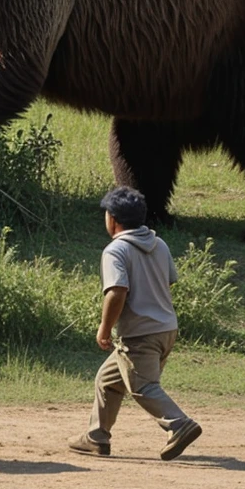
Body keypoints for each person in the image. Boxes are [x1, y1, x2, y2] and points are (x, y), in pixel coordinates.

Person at [69, 186, 202, 461]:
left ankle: (179, 424)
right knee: (108, 380)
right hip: (166, 328)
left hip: (140, 333)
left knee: (143, 386)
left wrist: (104, 329)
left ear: (113, 219)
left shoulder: (116, 250)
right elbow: (167, 281)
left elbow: (117, 291)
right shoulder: (159, 244)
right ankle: (96, 436)